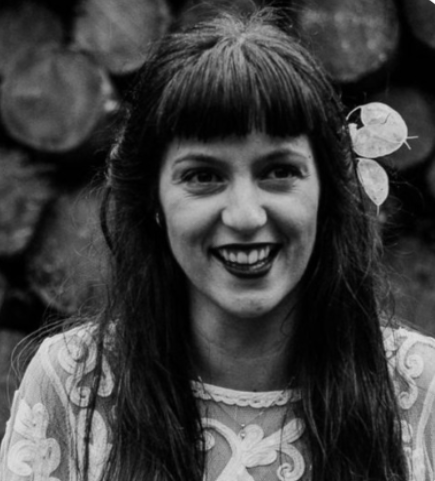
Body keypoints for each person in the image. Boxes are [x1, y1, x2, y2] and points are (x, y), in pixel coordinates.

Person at [1, 6, 435, 481]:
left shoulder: (420, 392)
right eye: (204, 176)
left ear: (328, 193)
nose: (246, 216)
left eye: (279, 171)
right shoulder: (71, 385)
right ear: (153, 201)